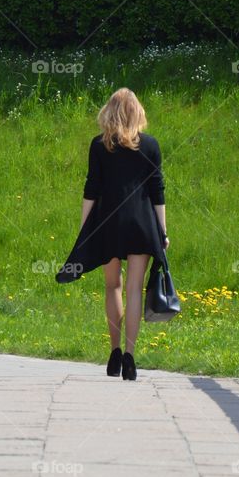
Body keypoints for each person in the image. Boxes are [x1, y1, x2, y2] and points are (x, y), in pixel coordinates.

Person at [56, 88, 168, 381]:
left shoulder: (99, 145)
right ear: (137, 112)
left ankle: (114, 351)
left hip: (108, 223)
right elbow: (157, 192)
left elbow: (91, 188)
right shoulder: (152, 145)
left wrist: (84, 230)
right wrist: (163, 232)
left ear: (109, 112)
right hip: (142, 224)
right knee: (134, 289)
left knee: (112, 287)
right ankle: (131, 357)